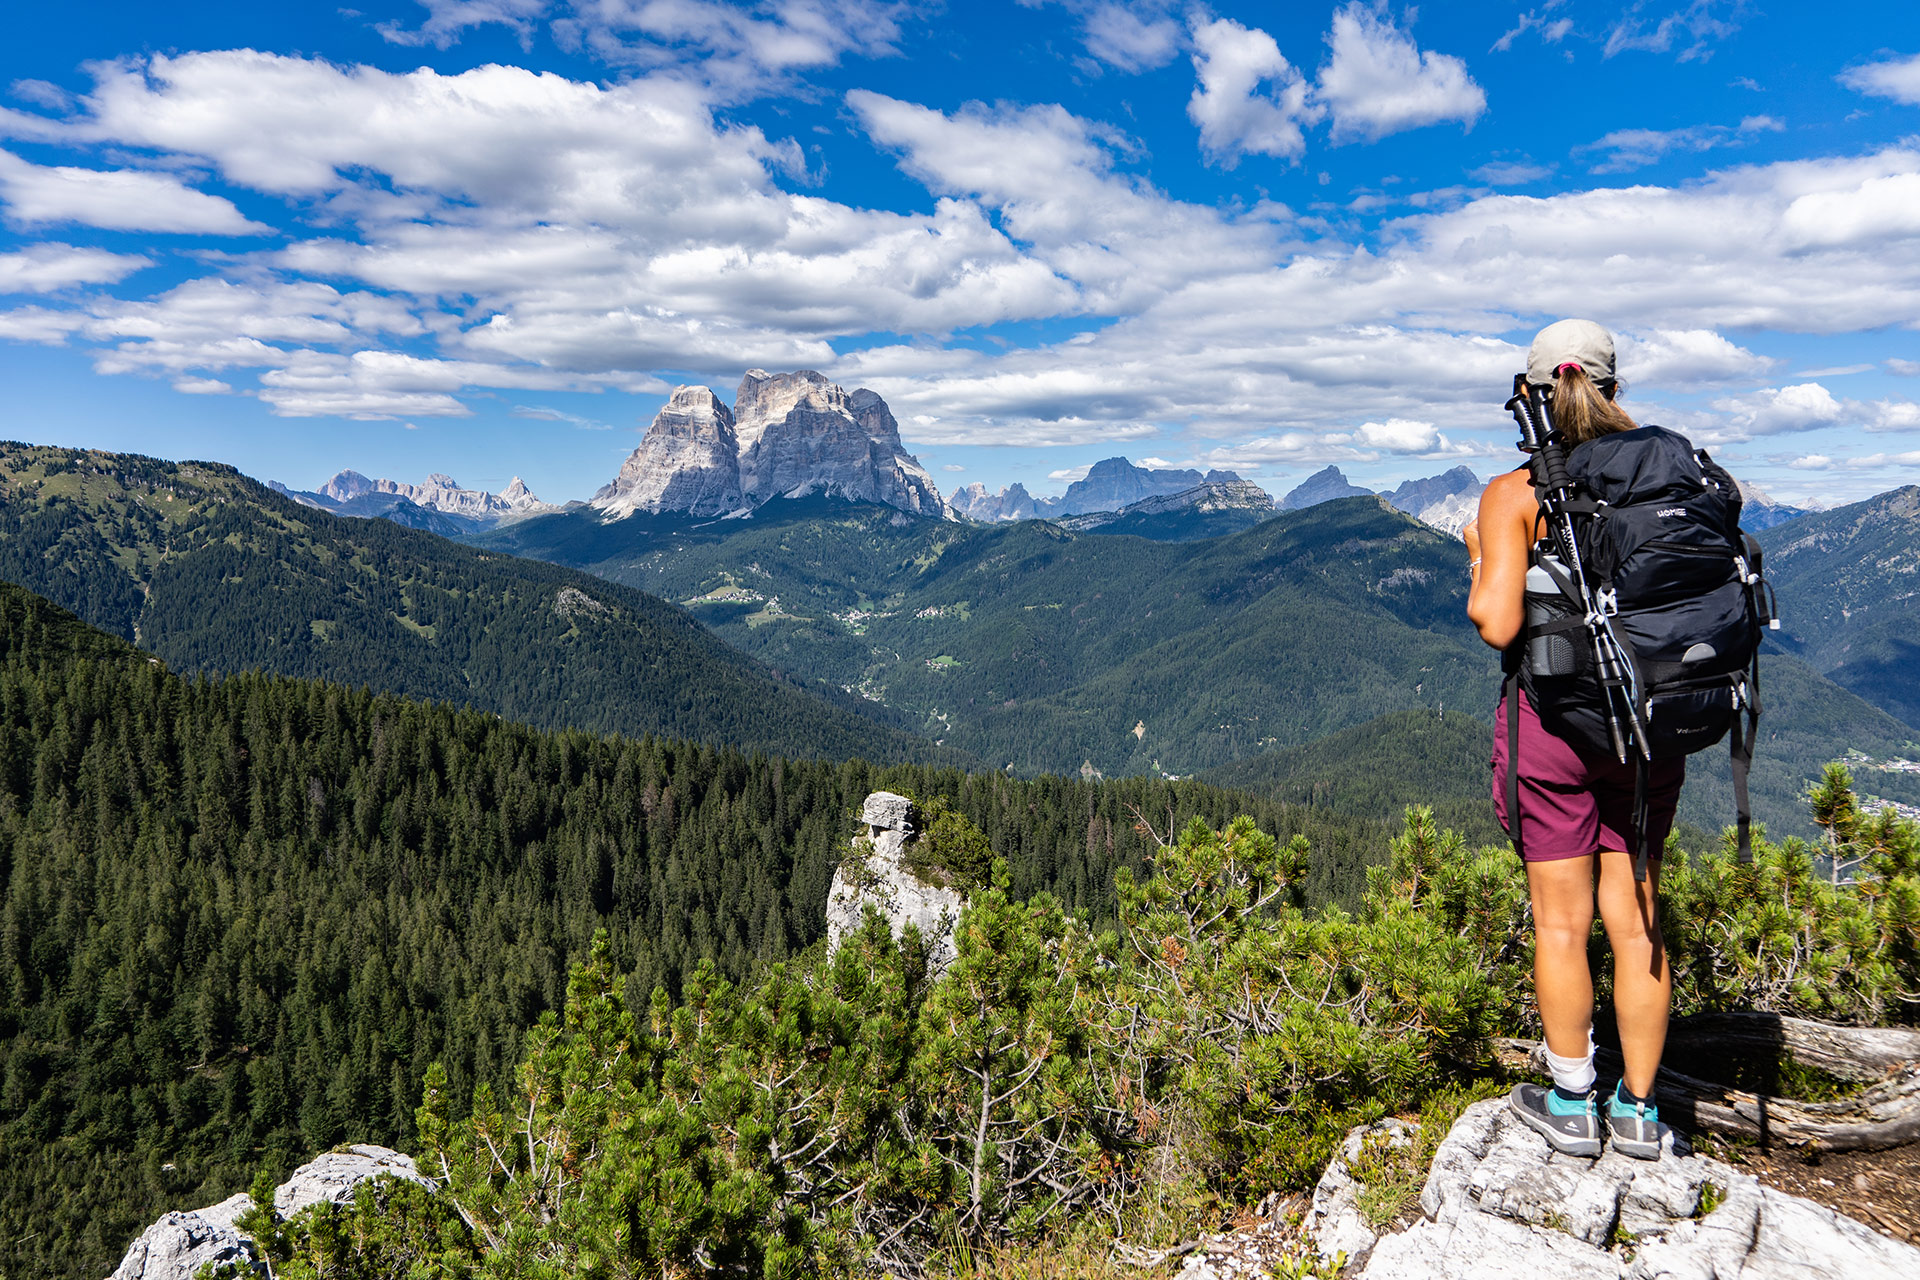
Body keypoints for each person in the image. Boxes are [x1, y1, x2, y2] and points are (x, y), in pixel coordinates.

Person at [1462, 318, 1680, 1161]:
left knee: (1563, 925)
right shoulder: (1668, 473)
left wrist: (1485, 552)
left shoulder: (1515, 492)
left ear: (1531, 396)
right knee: (1637, 921)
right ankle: (1639, 1112)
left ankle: (1571, 1101)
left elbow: (1496, 622)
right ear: (1613, 388)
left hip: (1552, 730)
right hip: (1647, 731)